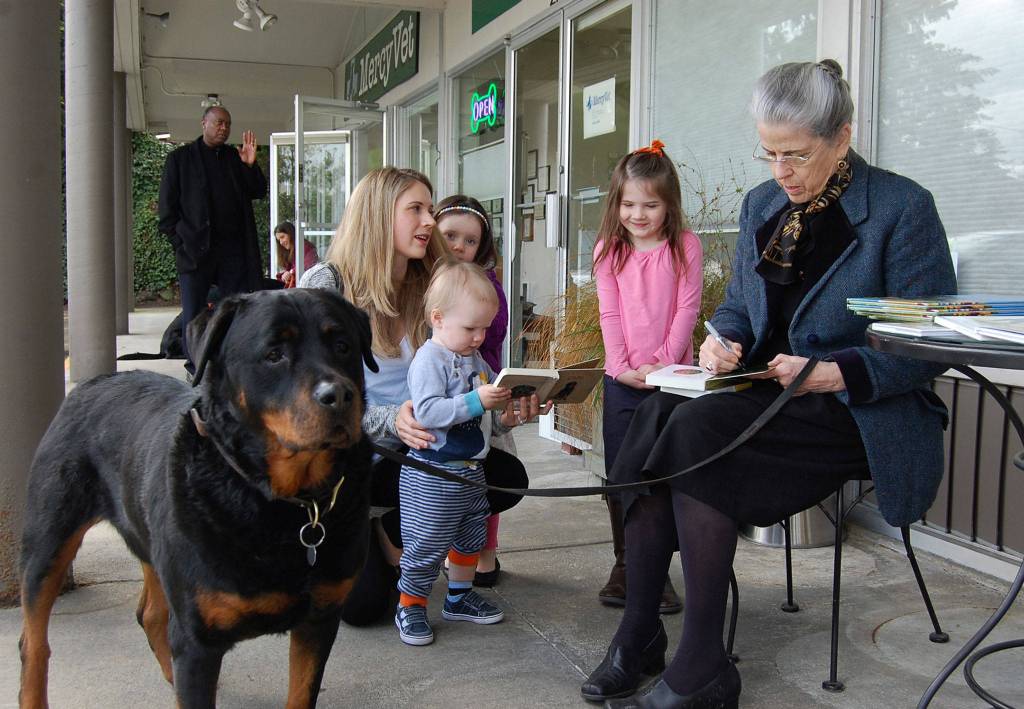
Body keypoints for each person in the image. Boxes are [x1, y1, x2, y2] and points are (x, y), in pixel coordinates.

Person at [582, 59, 956, 708]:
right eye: (769, 154)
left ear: (841, 137)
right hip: (765, 393)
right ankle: (639, 632)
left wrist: (835, 370)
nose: (780, 172)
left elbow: (929, 342)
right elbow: (741, 311)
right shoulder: (763, 204)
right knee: (657, 413)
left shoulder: (901, 208)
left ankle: (701, 667)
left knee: (693, 429)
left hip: (854, 406)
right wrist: (721, 340)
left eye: (796, 155)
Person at [298, 167, 546, 627]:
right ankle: (380, 527)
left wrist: (505, 413)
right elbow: (311, 398)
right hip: (360, 459)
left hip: (421, 454)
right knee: (362, 608)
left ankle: (405, 532)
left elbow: (463, 381)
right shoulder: (327, 284)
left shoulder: (430, 284)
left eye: (429, 209)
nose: (430, 221)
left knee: (505, 474)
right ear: (377, 215)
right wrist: (390, 419)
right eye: (415, 209)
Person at [591, 140, 701, 619]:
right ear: (616, 203)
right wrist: (621, 368)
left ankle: (657, 570)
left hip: (673, 380)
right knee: (622, 474)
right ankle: (626, 564)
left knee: (666, 475)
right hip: (623, 381)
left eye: (650, 205)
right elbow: (609, 314)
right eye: (629, 204)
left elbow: (687, 310)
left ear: (669, 204)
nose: (638, 214)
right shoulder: (608, 251)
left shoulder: (685, 246)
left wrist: (661, 363)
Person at [395, 260, 525, 645]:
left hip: (471, 472)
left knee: (471, 537)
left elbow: (484, 421)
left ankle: (459, 596)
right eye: (471, 327)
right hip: (433, 473)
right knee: (427, 542)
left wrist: (507, 419)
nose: (479, 337)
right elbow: (430, 412)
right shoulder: (428, 359)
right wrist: (475, 400)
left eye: (484, 327)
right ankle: (411, 605)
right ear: (438, 318)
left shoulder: (478, 362)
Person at [158, 105, 267, 376]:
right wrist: (180, 244)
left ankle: (229, 365)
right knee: (194, 314)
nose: (224, 128)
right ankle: (195, 367)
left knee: (233, 310)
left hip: (232, 253)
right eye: (219, 123)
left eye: (228, 124)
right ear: (203, 123)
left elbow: (257, 191)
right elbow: (166, 213)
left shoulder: (234, 157)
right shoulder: (180, 160)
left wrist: (250, 165)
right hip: (195, 252)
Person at [435, 194, 509, 586]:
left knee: (485, 467)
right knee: (446, 477)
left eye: (470, 241)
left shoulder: (486, 286)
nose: (459, 247)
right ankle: (452, 549)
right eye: (450, 236)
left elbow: (492, 335)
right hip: (439, 392)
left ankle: (486, 551)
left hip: (480, 387)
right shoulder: (426, 282)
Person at [273, 221, 319, 288]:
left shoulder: (306, 247)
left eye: (282, 237)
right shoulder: (291, 251)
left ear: (291, 234)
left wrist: (291, 272)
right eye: (279, 240)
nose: (281, 242)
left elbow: (307, 266)